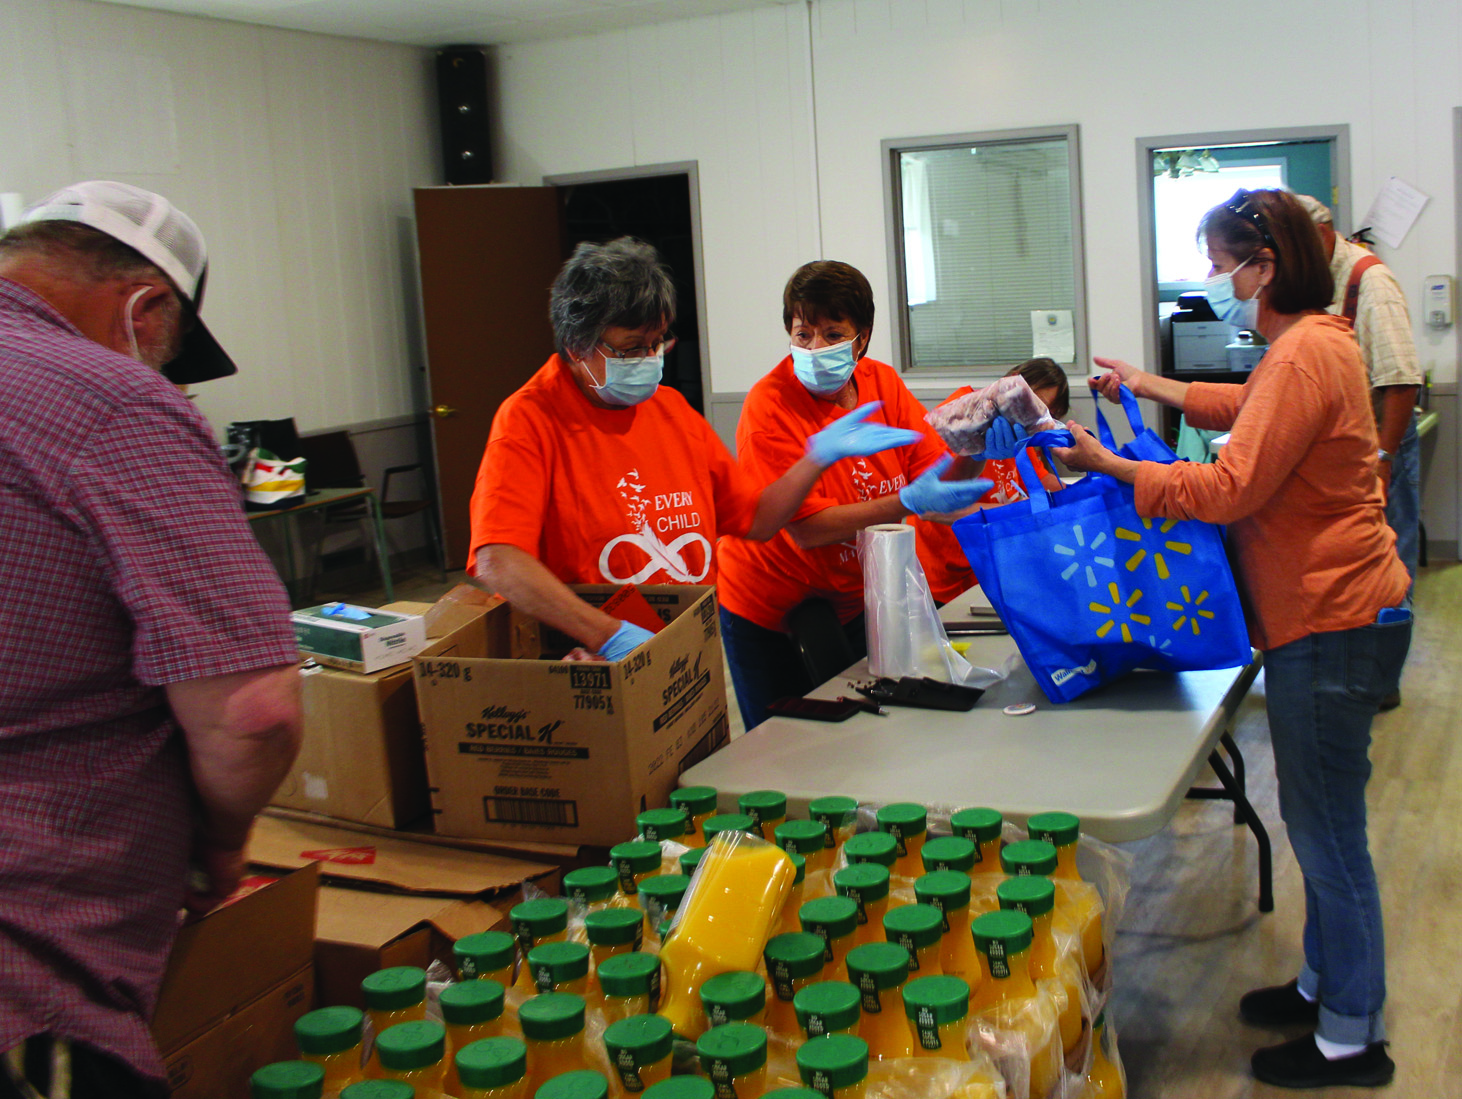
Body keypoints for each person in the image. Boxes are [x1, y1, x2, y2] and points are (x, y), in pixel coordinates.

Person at [1052, 189, 1409, 1090]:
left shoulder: (1305, 353)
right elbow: (1238, 404)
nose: (1216, 281)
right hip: (1326, 614)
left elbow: (1227, 488)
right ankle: (1328, 985)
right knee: (1322, 820)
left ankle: (1351, 1037)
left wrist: (1113, 465)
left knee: (1329, 835)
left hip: (1328, 618)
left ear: (1268, 262)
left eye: (1223, 263)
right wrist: (1145, 384)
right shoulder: (1310, 346)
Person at [0, 182, 303, 1097]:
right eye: (170, 355)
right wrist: (223, 836)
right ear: (147, 308)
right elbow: (252, 709)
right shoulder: (110, 401)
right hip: (33, 976)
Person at [468, 239, 919, 662]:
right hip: (583, 652)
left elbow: (758, 520)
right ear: (576, 347)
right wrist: (605, 634)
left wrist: (814, 460)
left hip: (679, 643)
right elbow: (498, 559)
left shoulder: (670, 410)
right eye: (630, 349)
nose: (648, 359)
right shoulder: (531, 419)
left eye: (656, 343)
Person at [716, 260, 992, 729]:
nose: (816, 347)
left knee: (864, 735)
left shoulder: (882, 384)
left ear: (861, 338)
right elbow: (807, 530)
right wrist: (905, 503)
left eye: (832, 334)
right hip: (768, 606)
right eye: (803, 335)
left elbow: (940, 488)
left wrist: (976, 447)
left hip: (853, 597)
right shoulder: (769, 405)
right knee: (783, 747)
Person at [1298, 193, 1422, 708]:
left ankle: (1381, 681)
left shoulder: (1369, 280)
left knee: (1389, 560)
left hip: (1380, 443)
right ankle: (1354, 672)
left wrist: (1385, 460)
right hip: (1345, 448)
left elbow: (1401, 380)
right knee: (1355, 565)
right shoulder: (1319, 282)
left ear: (1323, 233)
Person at [916, 358, 1071, 604]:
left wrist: (1088, 485)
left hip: (990, 570)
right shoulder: (960, 415)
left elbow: (1044, 481)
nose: (1035, 415)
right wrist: (1021, 511)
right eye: (1033, 404)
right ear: (1013, 384)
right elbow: (931, 509)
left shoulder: (1020, 429)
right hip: (945, 579)